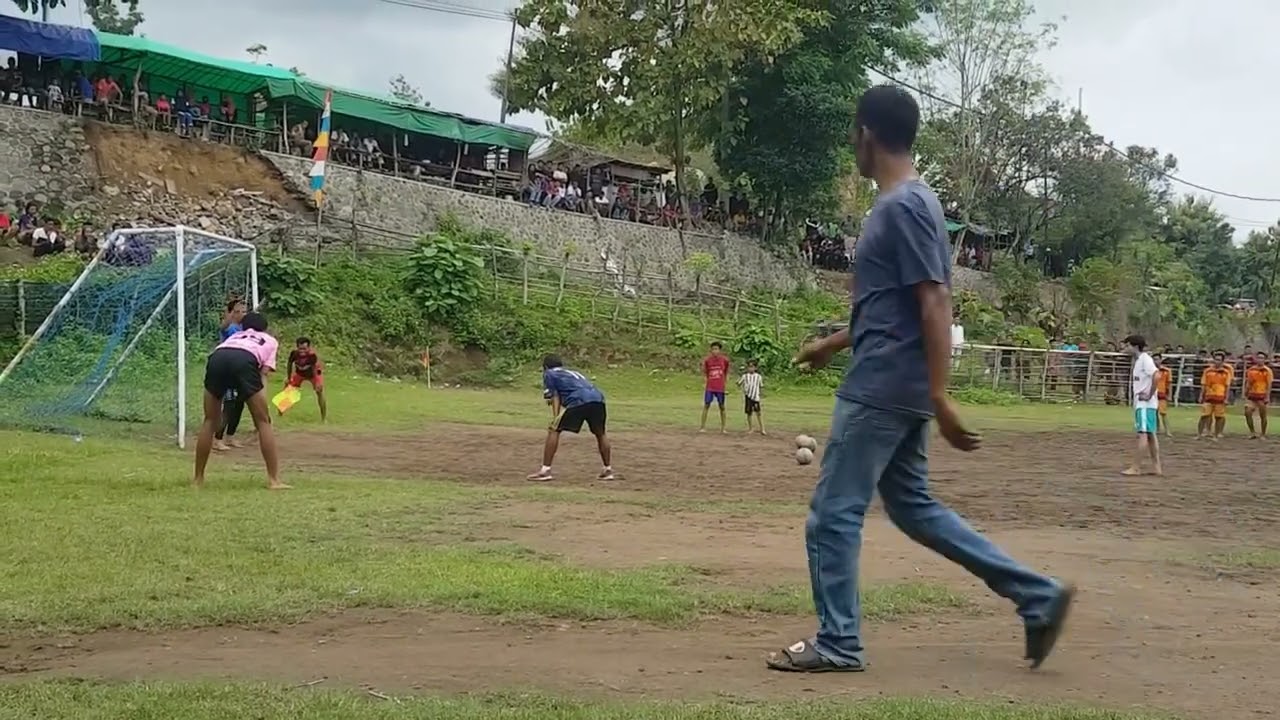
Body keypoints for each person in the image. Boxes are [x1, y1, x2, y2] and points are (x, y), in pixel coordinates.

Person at [768, 84, 1072, 675]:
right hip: (894, 381)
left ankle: (838, 643)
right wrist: (833, 343)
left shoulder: (902, 206)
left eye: (852, 134)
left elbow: (934, 301)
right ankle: (1038, 595)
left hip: (884, 386)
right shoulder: (911, 203)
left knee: (833, 514)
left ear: (867, 134)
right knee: (913, 509)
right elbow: (894, 304)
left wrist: (941, 393)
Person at [194, 311, 289, 489]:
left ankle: (198, 479)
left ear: (243, 327)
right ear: (265, 328)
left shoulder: (235, 335)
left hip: (217, 357)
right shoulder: (269, 340)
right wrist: (262, 406)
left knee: (209, 420)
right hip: (244, 360)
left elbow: (224, 354)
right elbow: (263, 374)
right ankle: (274, 480)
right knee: (263, 422)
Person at [527, 354, 613, 482]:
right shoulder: (573, 372)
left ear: (545, 367)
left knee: (554, 430)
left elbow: (555, 396)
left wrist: (555, 417)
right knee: (600, 433)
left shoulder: (549, 373)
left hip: (579, 399)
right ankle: (607, 469)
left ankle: (545, 471)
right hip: (598, 398)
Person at [1122, 335, 1162, 476]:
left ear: (1134, 346)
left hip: (1144, 403)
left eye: (1127, 346)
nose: (1125, 348)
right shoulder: (1141, 360)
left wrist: (1149, 395)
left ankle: (1136, 467)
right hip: (1147, 404)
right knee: (1151, 435)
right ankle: (1157, 468)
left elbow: (1157, 376)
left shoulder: (1145, 360)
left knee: (1143, 435)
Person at [213, 298, 248, 452]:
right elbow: (223, 327)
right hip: (227, 370)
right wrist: (228, 317)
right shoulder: (230, 327)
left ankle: (230, 436)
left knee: (239, 404)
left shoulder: (246, 328)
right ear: (230, 313)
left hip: (240, 370)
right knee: (229, 404)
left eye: (244, 311)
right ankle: (217, 439)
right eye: (237, 311)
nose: (241, 314)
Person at [285, 336, 328, 422]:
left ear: (308, 348)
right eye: (300, 349)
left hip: (313, 374)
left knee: (319, 392)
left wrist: (318, 383)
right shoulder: (294, 354)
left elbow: (315, 369)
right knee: (287, 390)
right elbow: (289, 364)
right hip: (300, 373)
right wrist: (288, 378)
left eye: (304, 349)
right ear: (297, 347)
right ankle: (280, 413)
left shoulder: (312, 355)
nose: (302, 351)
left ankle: (324, 418)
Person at [1198, 350, 1231, 440]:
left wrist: (1226, 398)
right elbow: (1203, 384)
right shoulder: (1208, 371)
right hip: (1208, 396)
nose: (1217, 361)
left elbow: (1227, 386)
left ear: (1222, 361)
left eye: (1219, 360)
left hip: (1220, 397)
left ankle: (1216, 435)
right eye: (1216, 359)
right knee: (1204, 416)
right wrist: (1201, 395)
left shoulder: (1226, 372)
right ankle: (1199, 434)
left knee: (1219, 417)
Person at [699, 341, 730, 433]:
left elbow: (727, 372)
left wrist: (725, 384)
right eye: (713, 349)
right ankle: (702, 427)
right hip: (710, 387)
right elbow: (705, 373)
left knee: (722, 406)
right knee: (706, 405)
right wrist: (705, 382)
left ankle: (723, 428)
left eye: (716, 349)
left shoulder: (724, 360)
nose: (714, 351)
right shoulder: (708, 360)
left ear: (720, 350)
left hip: (720, 387)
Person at [1244, 350, 1273, 439]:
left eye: (1262, 358)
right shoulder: (1251, 370)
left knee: (1263, 415)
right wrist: (1246, 392)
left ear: (1265, 360)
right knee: (1247, 412)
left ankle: (1263, 433)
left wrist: (1267, 397)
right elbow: (1248, 382)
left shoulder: (1267, 371)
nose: (1260, 360)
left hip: (1262, 395)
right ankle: (1252, 432)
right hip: (1252, 395)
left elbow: (1269, 385)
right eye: (1259, 358)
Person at [737, 359, 766, 435]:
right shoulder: (745, 376)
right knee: (749, 413)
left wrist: (761, 395)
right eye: (749, 367)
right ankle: (751, 428)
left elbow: (761, 386)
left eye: (752, 367)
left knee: (758, 413)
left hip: (755, 397)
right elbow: (739, 383)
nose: (751, 369)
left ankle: (762, 428)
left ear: (755, 368)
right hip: (748, 396)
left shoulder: (758, 377)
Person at [1153, 353, 1174, 437]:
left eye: (1157, 359)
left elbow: (1169, 384)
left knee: (1163, 413)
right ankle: (1157, 429)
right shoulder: (1151, 370)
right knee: (1154, 413)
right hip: (1153, 394)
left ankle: (1167, 430)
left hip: (1162, 394)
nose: (1156, 361)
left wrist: (1170, 395)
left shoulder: (1167, 371)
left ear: (1161, 360)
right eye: (1154, 359)